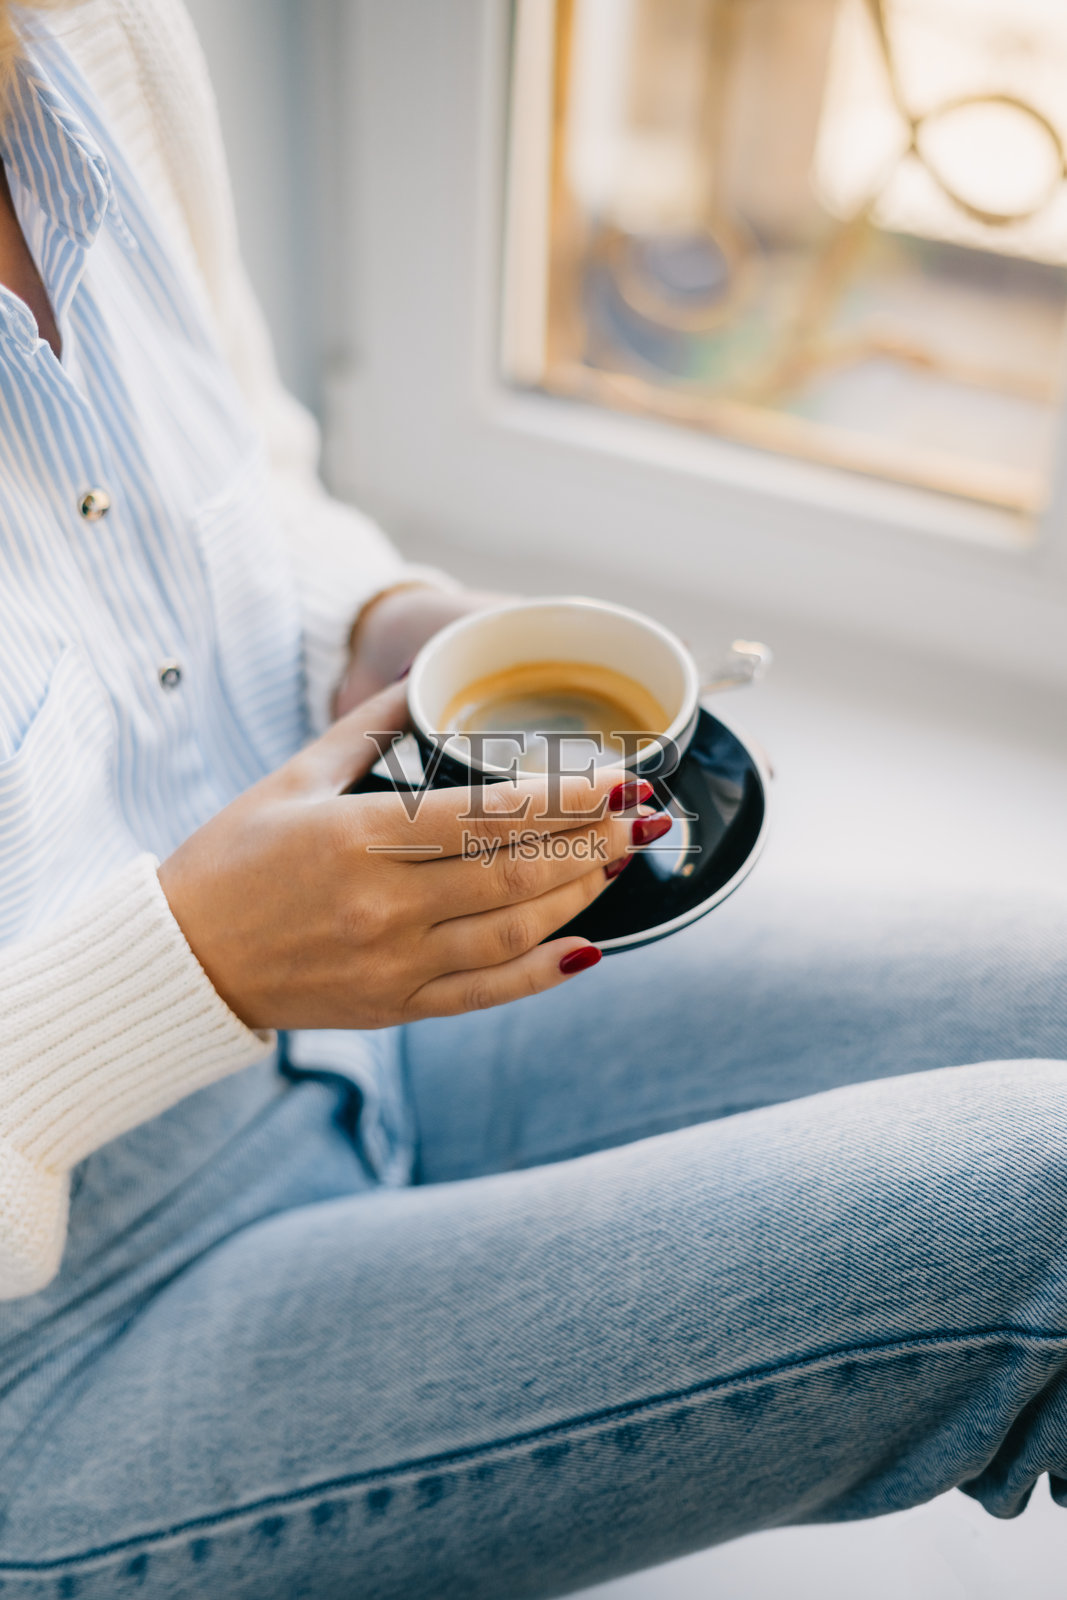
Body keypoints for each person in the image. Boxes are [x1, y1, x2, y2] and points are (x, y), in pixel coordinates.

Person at [0, 2, 1065, 1596]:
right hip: (61, 1342)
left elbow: (249, 481)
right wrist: (191, 970)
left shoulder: (91, 39)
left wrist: (390, 639)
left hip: (362, 1021)